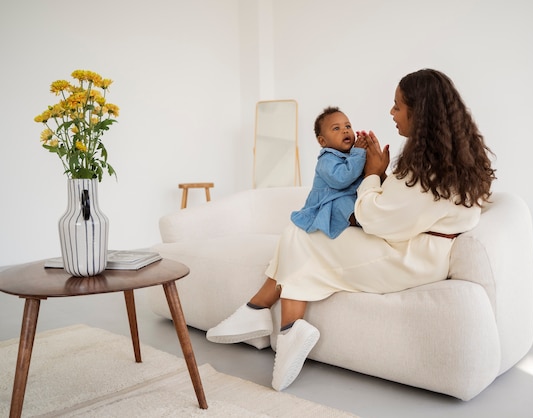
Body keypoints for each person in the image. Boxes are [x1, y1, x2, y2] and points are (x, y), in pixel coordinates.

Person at [206, 68, 496, 392]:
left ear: (420, 112)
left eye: (398, 106)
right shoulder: (452, 159)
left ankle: (267, 317)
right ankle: (273, 324)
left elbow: (376, 218)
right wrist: (383, 176)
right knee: (302, 235)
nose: (392, 112)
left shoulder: (427, 167)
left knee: (299, 233)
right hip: (418, 249)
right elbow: (408, 209)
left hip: (408, 258)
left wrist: (373, 174)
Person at [290, 106, 367, 239]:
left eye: (348, 126)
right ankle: (362, 221)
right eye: (336, 128)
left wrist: (367, 152)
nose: (344, 131)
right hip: (328, 203)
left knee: (361, 200)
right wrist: (358, 155)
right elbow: (342, 179)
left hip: (350, 196)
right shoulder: (326, 160)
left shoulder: (353, 155)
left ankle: (368, 216)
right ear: (322, 141)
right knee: (343, 203)